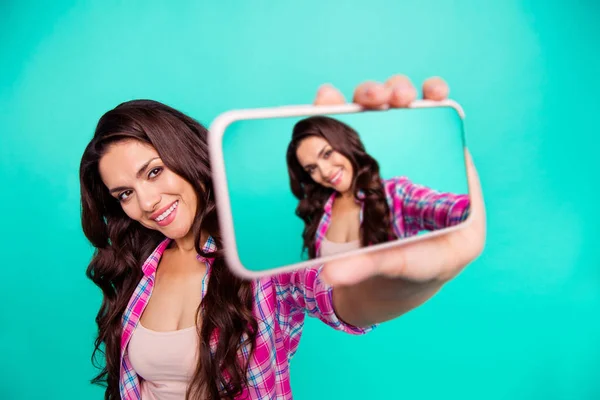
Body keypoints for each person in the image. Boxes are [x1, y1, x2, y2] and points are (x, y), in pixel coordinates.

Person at [79, 75, 486, 400]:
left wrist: (419, 276)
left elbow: (347, 302)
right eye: (125, 194)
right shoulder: (139, 269)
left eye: (153, 172)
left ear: (184, 153)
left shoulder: (258, 259)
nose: (147, 202)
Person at [286, 114, 470, 260]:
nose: (325, 172)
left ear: (344, 144)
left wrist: (473, 211)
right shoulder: (320, 212)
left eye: (327, 154)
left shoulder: (395, 195)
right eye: (312, 169)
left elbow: (453, 209)